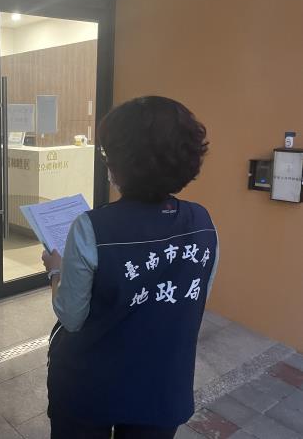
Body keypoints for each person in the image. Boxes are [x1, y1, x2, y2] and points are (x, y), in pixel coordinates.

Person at [42, 97, 218, 439]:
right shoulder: (203, 222)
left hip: (89, 387)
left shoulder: (91, 227)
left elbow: (71, 317)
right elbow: (193, 298)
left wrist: (56, 271)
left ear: (119, 162)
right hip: (163, 387)